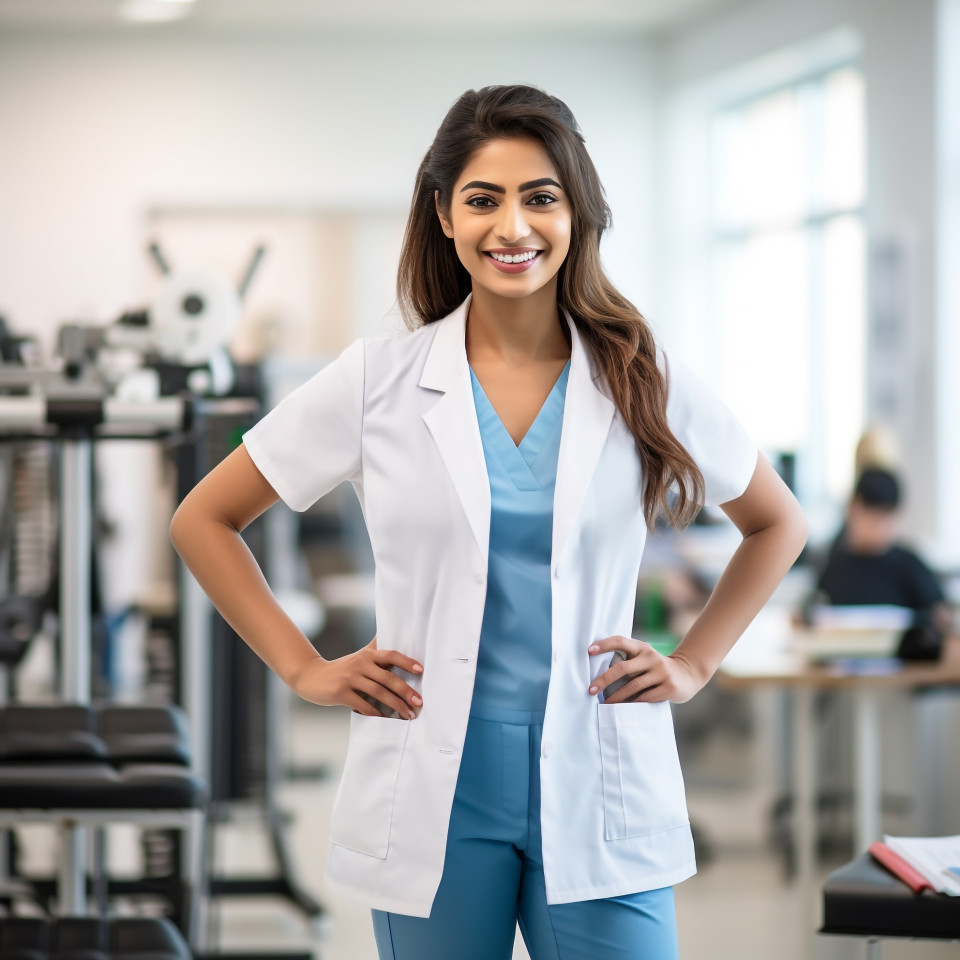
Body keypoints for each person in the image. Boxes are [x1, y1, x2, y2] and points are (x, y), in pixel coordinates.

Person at [170, 84, 807, 960]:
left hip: (599, 771)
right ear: (443, 215)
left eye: (541, 197)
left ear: (576, 212)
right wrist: (303, 667)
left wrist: (696, 660)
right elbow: (205, 518)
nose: (514, 226)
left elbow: (777, 523)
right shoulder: (375, 382)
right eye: (483, 199)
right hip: (433, 778)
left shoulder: (640, 374)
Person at [816, 467, 948, 628]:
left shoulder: (909, 565)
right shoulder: (834, 566)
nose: (879, 526)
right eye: (872, 516)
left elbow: (940, 615)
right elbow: (815, 610)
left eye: (886, 517)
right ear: (853, 508)